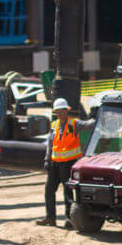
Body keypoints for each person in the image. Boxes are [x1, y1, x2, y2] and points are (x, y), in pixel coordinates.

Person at [37, 97, 86, 227]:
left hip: (68, 163)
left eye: (61, 111)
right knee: (49, 191)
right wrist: (47, 158)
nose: (59, 113)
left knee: (67, 192)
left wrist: (98, 116)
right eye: (57, 111)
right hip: (54, 163)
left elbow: (89, 124)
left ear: (66, 110)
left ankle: (70, 219)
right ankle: (50, 218)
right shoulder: (54, 125)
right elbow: (50, 143)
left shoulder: (74, 123)